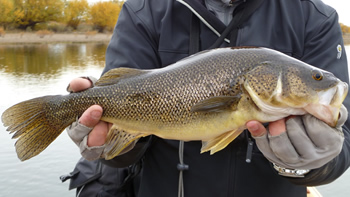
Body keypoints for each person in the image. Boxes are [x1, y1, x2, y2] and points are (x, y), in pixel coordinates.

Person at [64, 0, 350, 196]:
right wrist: (108, 143)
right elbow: (119, 154)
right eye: (315, 78)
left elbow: (343, 144)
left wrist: (311, 164)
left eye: (316, 78)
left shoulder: (315, 17)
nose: (324, 84)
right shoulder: (144, 10)